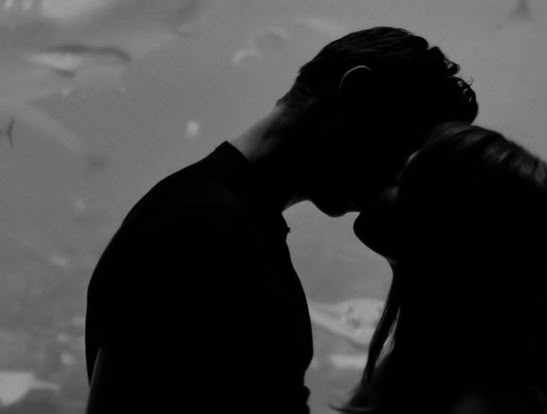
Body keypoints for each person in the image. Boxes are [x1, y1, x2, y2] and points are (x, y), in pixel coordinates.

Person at [84, 27, 478, 413]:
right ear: (358, 92)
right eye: (401, 150)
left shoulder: (219, 217)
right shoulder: (198, 229)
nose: (395, 183)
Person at [344, 122, 547, 414]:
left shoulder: (483, 402)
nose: (380, 182)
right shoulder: (435, 371)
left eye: (407, 179)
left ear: (460, 224)